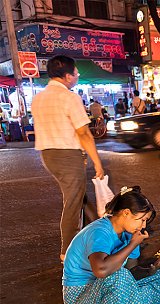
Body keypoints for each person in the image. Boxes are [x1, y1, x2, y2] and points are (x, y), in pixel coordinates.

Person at [32, 55, 105, 263]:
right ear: (67, 76)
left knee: (80, 198)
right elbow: (83, 133)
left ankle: (100, 232)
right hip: (67, 154)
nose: (78, 75)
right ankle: (67, 252)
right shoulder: (69, 97)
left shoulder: (39, 97)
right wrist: (97, 162)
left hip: (48, 154)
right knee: (73, 203)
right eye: (76, 72)